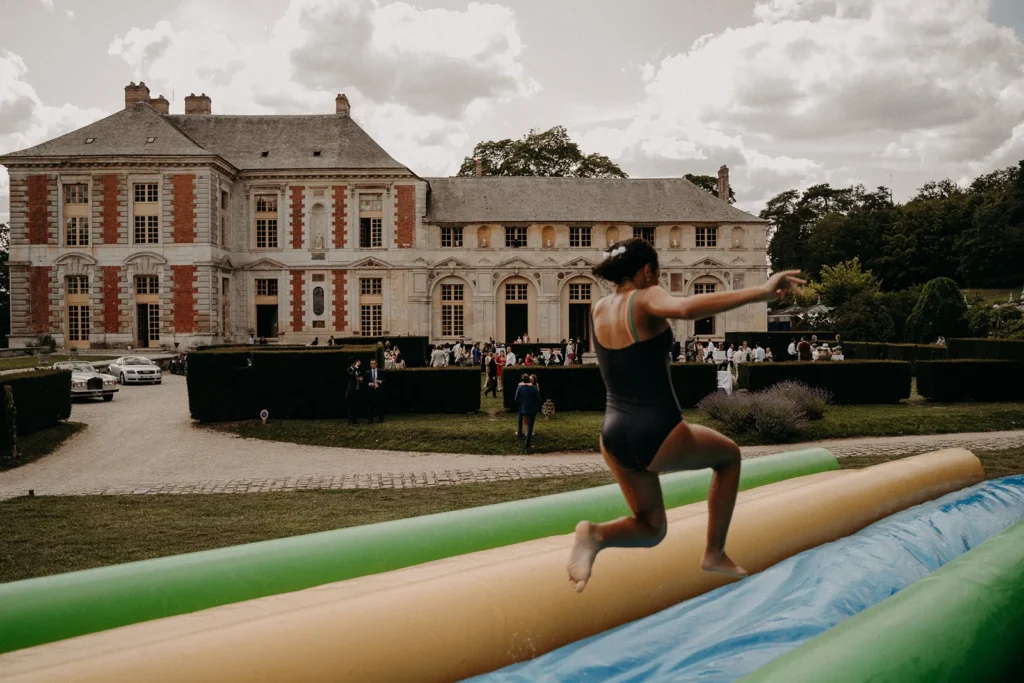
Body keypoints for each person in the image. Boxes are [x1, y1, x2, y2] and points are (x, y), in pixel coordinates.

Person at [565, 238, 804, 593]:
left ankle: (595, 535)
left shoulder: (600, 308)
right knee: (729, 456)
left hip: (612, 437)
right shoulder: (645, 297)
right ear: (647, 271)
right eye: (657, 272)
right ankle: (714, 552)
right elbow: (686, 308)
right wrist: (762, 291)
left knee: (651, 528)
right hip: (657, 431)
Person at [514, 374, 543, 449]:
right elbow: (538, 399)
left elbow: (516, 399)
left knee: (521, 419)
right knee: (530, 426)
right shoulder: (534, 388)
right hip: (532, 409)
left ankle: (520, 432)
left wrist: (522, 402)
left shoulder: (520, 387)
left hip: (523, 408)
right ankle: (527, 444)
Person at [364, 359, 385, 423]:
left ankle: (380, 419)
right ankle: (370, 419)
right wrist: (370, 384)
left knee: (379, 405)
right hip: (370, 391)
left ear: (376, 364)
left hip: (378, 390)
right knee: (370, 406)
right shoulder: (367, 372)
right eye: (372, 364)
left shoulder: (381, 371)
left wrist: (380, 381)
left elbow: (385, 380)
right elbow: (365, 382)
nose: (373, 365)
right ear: (370, 365)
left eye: (374, 363)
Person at [345, 357, 363, 425]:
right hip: (350, 391)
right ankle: (350, 421)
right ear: (352, 364)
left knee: (355, 406)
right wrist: (356, 367)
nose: (356, 364)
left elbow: (357, 377)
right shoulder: (348, 370)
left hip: (356, 390)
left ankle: (354, 420)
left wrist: (360, 379)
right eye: (355, 363)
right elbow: (351, 375)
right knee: (350, 407)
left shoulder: (357, 369)